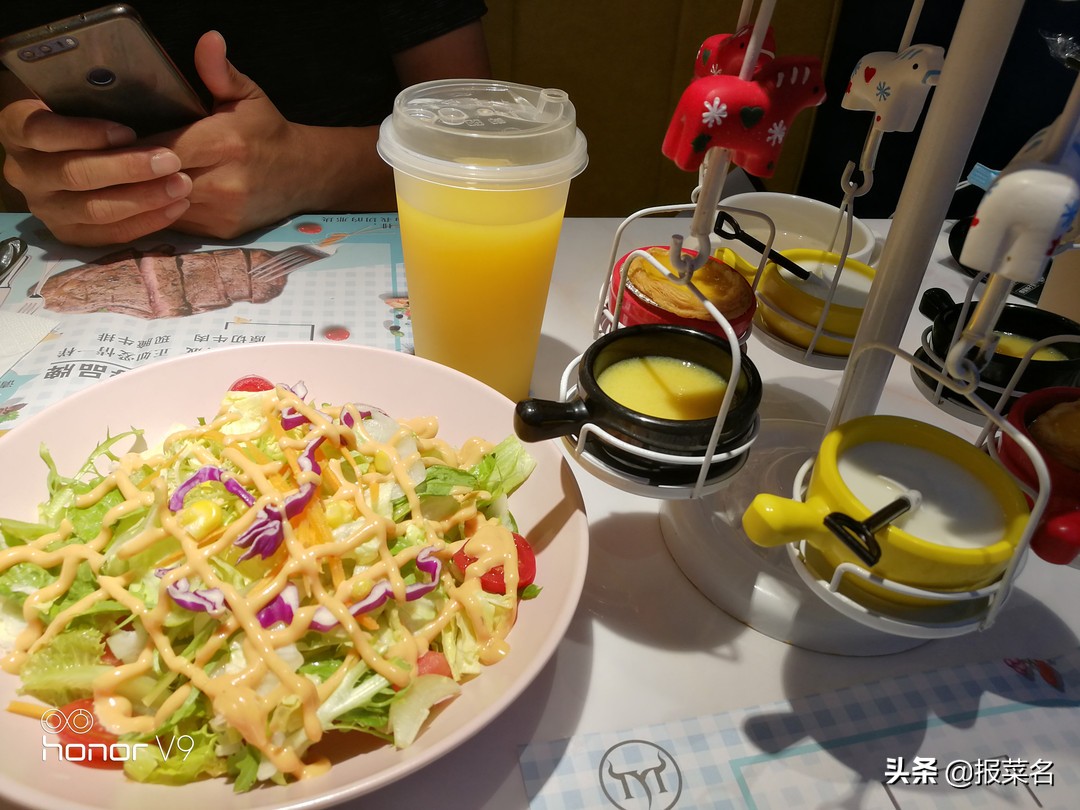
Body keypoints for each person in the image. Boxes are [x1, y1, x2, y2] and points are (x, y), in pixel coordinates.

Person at [0, 2, 491, 246]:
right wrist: (51, 180)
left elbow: (477, 145)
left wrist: (307, 167)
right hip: (115, 263)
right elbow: (28, 137)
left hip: (390, 238)